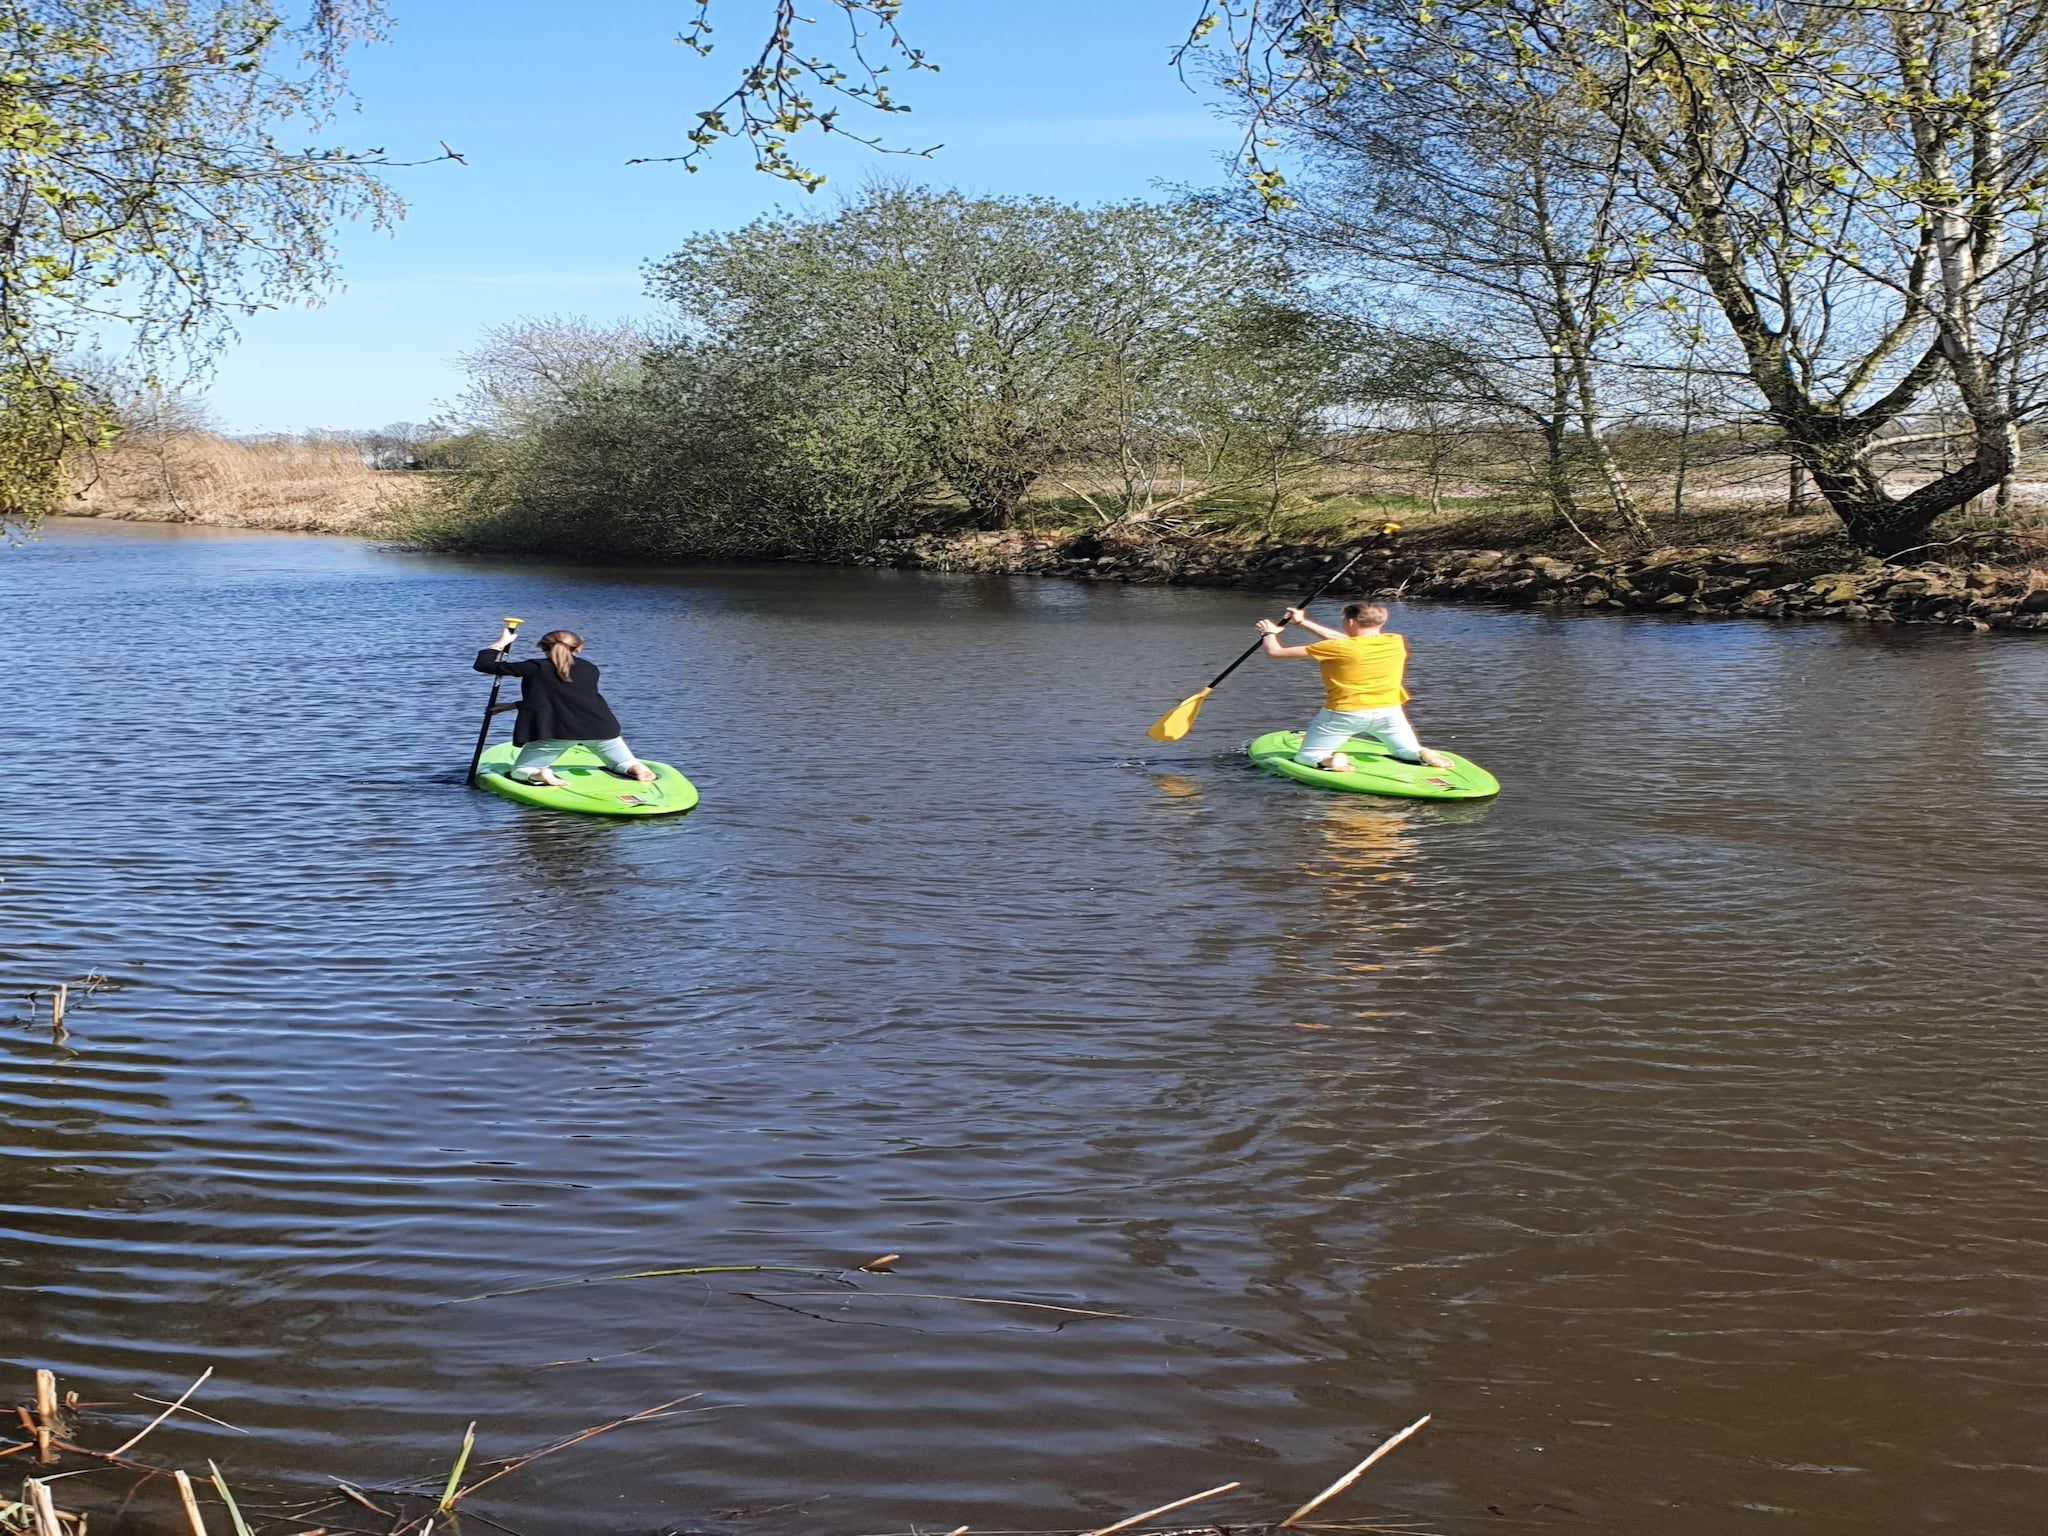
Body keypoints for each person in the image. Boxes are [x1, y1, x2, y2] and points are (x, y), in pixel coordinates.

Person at [1256, 601, 1455, 773]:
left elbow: (1275, 652)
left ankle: (1328, 760)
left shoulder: (1336, 648)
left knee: (1306, 756)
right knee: (1404, 751)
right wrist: (1302, 622)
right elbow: (1349, 642)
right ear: (1381, 622)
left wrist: (1269, 633)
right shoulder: (1395, 641)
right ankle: (1421, 753)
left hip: (1344, 714)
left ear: (1350, 622)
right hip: (1389, 712)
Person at [473, 625, 656, 787]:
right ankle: (636, 768)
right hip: (602, 729)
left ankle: (540, 773)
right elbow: (568, 700)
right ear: (579, 648)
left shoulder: (535, 667)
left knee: (521, 770)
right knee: (621, 763)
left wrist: (500, 643)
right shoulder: (590, 668)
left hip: (558, 733)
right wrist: (512, 705)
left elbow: (484, 665)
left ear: (542, 648)